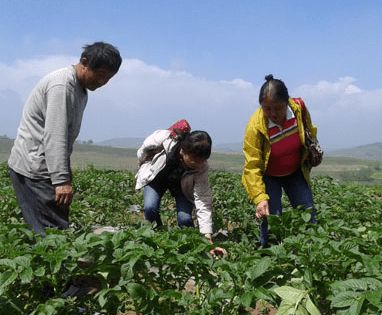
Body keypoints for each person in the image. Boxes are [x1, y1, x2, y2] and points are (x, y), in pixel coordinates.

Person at [8, 42, 122, 235]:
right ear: (84, 63)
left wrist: (64, 174)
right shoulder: (62, 86)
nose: (103, 82)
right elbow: (55, 134)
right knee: (54, 233)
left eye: (108, 78)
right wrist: (61, 181)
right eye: (101, 75)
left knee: (44, 230)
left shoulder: (80, 87)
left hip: (40, 165)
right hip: (35, 168)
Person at [242, 74, 318, 248]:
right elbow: (252, 165)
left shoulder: (298, 109)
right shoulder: (255, 126)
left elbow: (309, 131)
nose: (273, 113)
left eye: (278, 108)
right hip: (269, 175)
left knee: (307, 213)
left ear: (287, 102)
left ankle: (312, 251)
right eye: (267, 109)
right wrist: (260, 198)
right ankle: (269, 254)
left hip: (295, 171)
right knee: (271, 217)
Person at [135, 120, 226, 256]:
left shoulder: (201, 168)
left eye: (201, 160)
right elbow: (144, 148)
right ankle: (152, 240)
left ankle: (192, 247)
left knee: (185, 219)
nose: (196, 164)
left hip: (182, 188)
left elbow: (203, 199)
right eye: (193, 159)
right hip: (157, 179)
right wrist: (144, 164)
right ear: (183, 150)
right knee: (150, 208)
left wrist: (208, 238)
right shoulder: (165, 140)